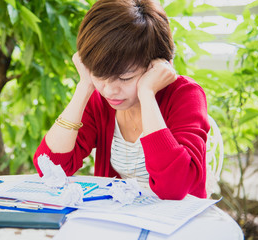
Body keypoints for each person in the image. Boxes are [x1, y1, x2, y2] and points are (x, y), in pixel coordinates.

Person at [33, 0, 210, 200]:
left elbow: (174, 189)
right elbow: (50, 167)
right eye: (99, 75)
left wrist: (147, 94)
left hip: (176, 225)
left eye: (125, 78)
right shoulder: (101, 99)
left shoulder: (185, 95)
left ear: (158, 65)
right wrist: (85, 86)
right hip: (119, 222)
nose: (110, 90)